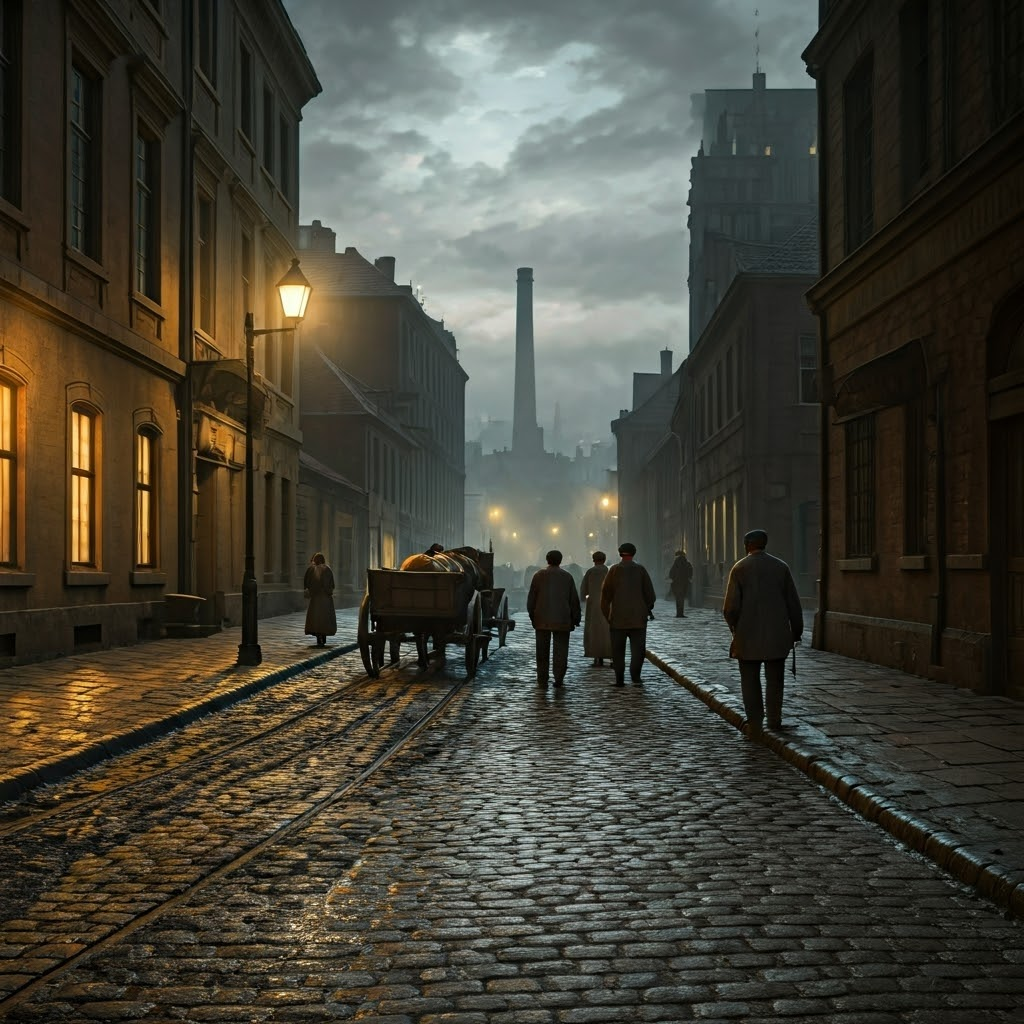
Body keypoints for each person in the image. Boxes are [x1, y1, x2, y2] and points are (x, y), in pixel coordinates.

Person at [723, 529, 804, 731]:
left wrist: (734, 627)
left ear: (748, 545)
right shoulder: (781, 567)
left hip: (747, 635)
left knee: (750, 680)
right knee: (775, 680)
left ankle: (755, 719)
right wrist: (796, 631)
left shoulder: (739, 568)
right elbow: (793, 603)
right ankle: (774, 720)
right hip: (777, 634)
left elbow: (730, 608)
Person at [600, 542, 656, 686]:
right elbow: (650, 595)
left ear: (620, 554)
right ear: (634, 553)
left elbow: (605, 596)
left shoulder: (613, 571)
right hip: (638, 619)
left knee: (618, 651)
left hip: (618, 619)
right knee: (638, 651)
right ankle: (635, 676)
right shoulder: (640, 570)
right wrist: (646, 608)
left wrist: (608, 616)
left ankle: (619, 679)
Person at [527, 549, 581, 688]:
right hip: (562, 619)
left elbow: (532, 599)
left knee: (542, 652)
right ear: (560, 560)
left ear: (547, 560)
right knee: (561, 652)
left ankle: (542, 679)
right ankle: (558, 678)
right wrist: (576, 618)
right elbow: (573, 600)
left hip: (542, 619)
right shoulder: (567, 576)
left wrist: (533, 616)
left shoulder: (538, 576)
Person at [579, 551, 613, 666]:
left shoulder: (590, 572)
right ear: (604, 559)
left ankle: (596, 655)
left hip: (593, 605)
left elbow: (583, 590)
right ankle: (609, 653)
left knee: (594, 630)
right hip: (608, 605)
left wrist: (583, 600)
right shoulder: (609, 572)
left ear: (594, 560)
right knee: (607, 630)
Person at [304, 552, 337, 647]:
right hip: (325, 598)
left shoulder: (312, 570)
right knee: (324, 617)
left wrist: (311, 591)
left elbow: (307, 583)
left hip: (316, 598)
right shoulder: (327, 569)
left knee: (316, 618)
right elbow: (331, 584)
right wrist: (328, 591)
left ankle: (319, 637)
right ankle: (323, 636)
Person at [668, 549, 694, 617]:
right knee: (682, 598)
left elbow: (671, 573)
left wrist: (673, 578)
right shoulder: (687, 563)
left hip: (676, 583)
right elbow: (690, 573)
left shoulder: (675, 563)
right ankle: (681, 613)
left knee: (678, 598)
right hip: (684, 583)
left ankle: (678, 613)